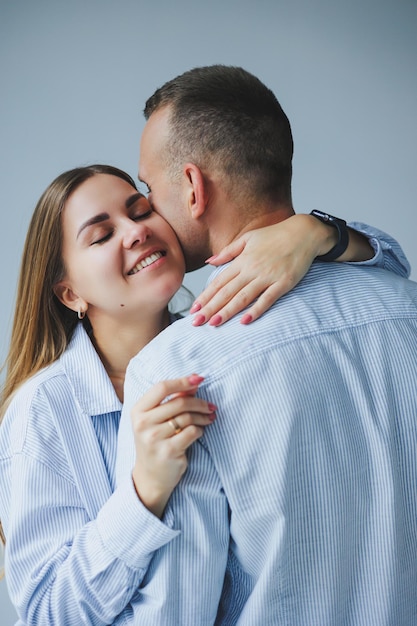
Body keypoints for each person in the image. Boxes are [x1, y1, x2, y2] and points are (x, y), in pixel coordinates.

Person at [0, 162, 404, 624]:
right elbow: (45, 612)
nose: (135, 232)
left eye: (140, 209)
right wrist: (142, 493)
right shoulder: (43, 410)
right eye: (101, 235)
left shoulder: (218, 345)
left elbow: (392, 276)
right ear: (70, 293)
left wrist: (314, 233)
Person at [117, 65, 417, 625]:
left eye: (150, 190)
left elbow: (177, 611)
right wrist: (319, 229)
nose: (149, 211)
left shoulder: (176, 365)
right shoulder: (407, 306)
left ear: (192, 186)